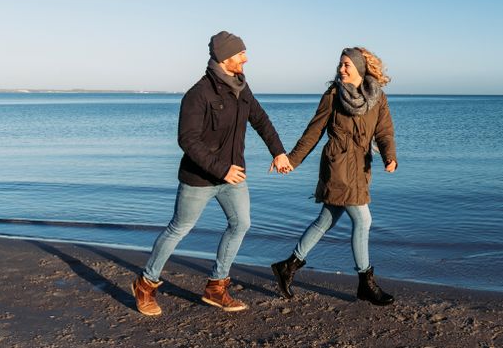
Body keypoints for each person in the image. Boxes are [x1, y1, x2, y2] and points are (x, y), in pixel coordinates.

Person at [131, 31, 293, 316]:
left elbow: (261, 119)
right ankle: (146, 284)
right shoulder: (198, 94)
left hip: (233, 177)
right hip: (201, 178)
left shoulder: (242, 87)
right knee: (178, 229)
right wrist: (221, 169)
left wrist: (278, 152)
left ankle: (216, 287)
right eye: (241, 53)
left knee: (241, 224)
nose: (246, 58)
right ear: (225, 57)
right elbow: (188, 140)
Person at [271, 47, 398, 306]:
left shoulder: (377, 98)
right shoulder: (332, 96)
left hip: (361, 169)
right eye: (340, 65)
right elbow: (313, 132)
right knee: (363, 220)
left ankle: (288, 266)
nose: (341, 70)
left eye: (346, 65)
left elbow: (384, 132)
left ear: (360, 69)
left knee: (326, 219)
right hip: (337, 167)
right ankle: (366, 282)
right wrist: (292, 160)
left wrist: (389, 156)